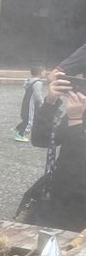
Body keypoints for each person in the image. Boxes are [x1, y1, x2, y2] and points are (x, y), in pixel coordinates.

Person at [23, 69, 86, 232]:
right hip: (59, 200)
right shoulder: (81, 112)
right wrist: (51, 102)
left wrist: (75, 120)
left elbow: (78, 166)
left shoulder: (78, 115)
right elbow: (41, 139)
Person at [15, 65, 47, 142]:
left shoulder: (30, 80)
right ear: (40, 73)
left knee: (28, 117)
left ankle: (18, 128)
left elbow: (26, 88)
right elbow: (37, 94)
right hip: (31, 104)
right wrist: (42, 103)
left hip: (27, 101)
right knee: (30, 120)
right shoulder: (38, 82)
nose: (45, 73)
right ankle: (20, 134)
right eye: (44, 72)